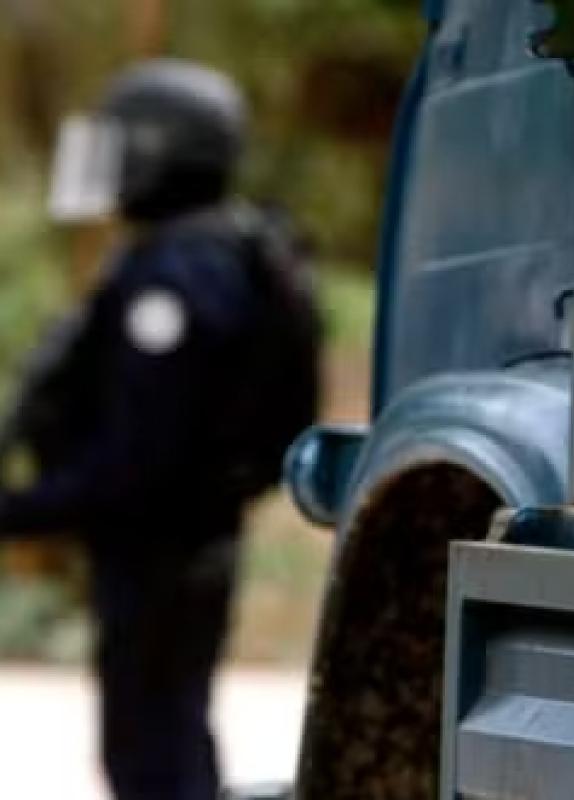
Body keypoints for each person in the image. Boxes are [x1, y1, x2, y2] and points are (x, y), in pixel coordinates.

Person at [0, 59, 320, 800]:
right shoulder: (214, 248)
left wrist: (25, 509)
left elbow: (141, 457)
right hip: (184, 541)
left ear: (159, 149)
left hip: (162, 547)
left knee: (154, 749)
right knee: (169, 732)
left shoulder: (180, 273)